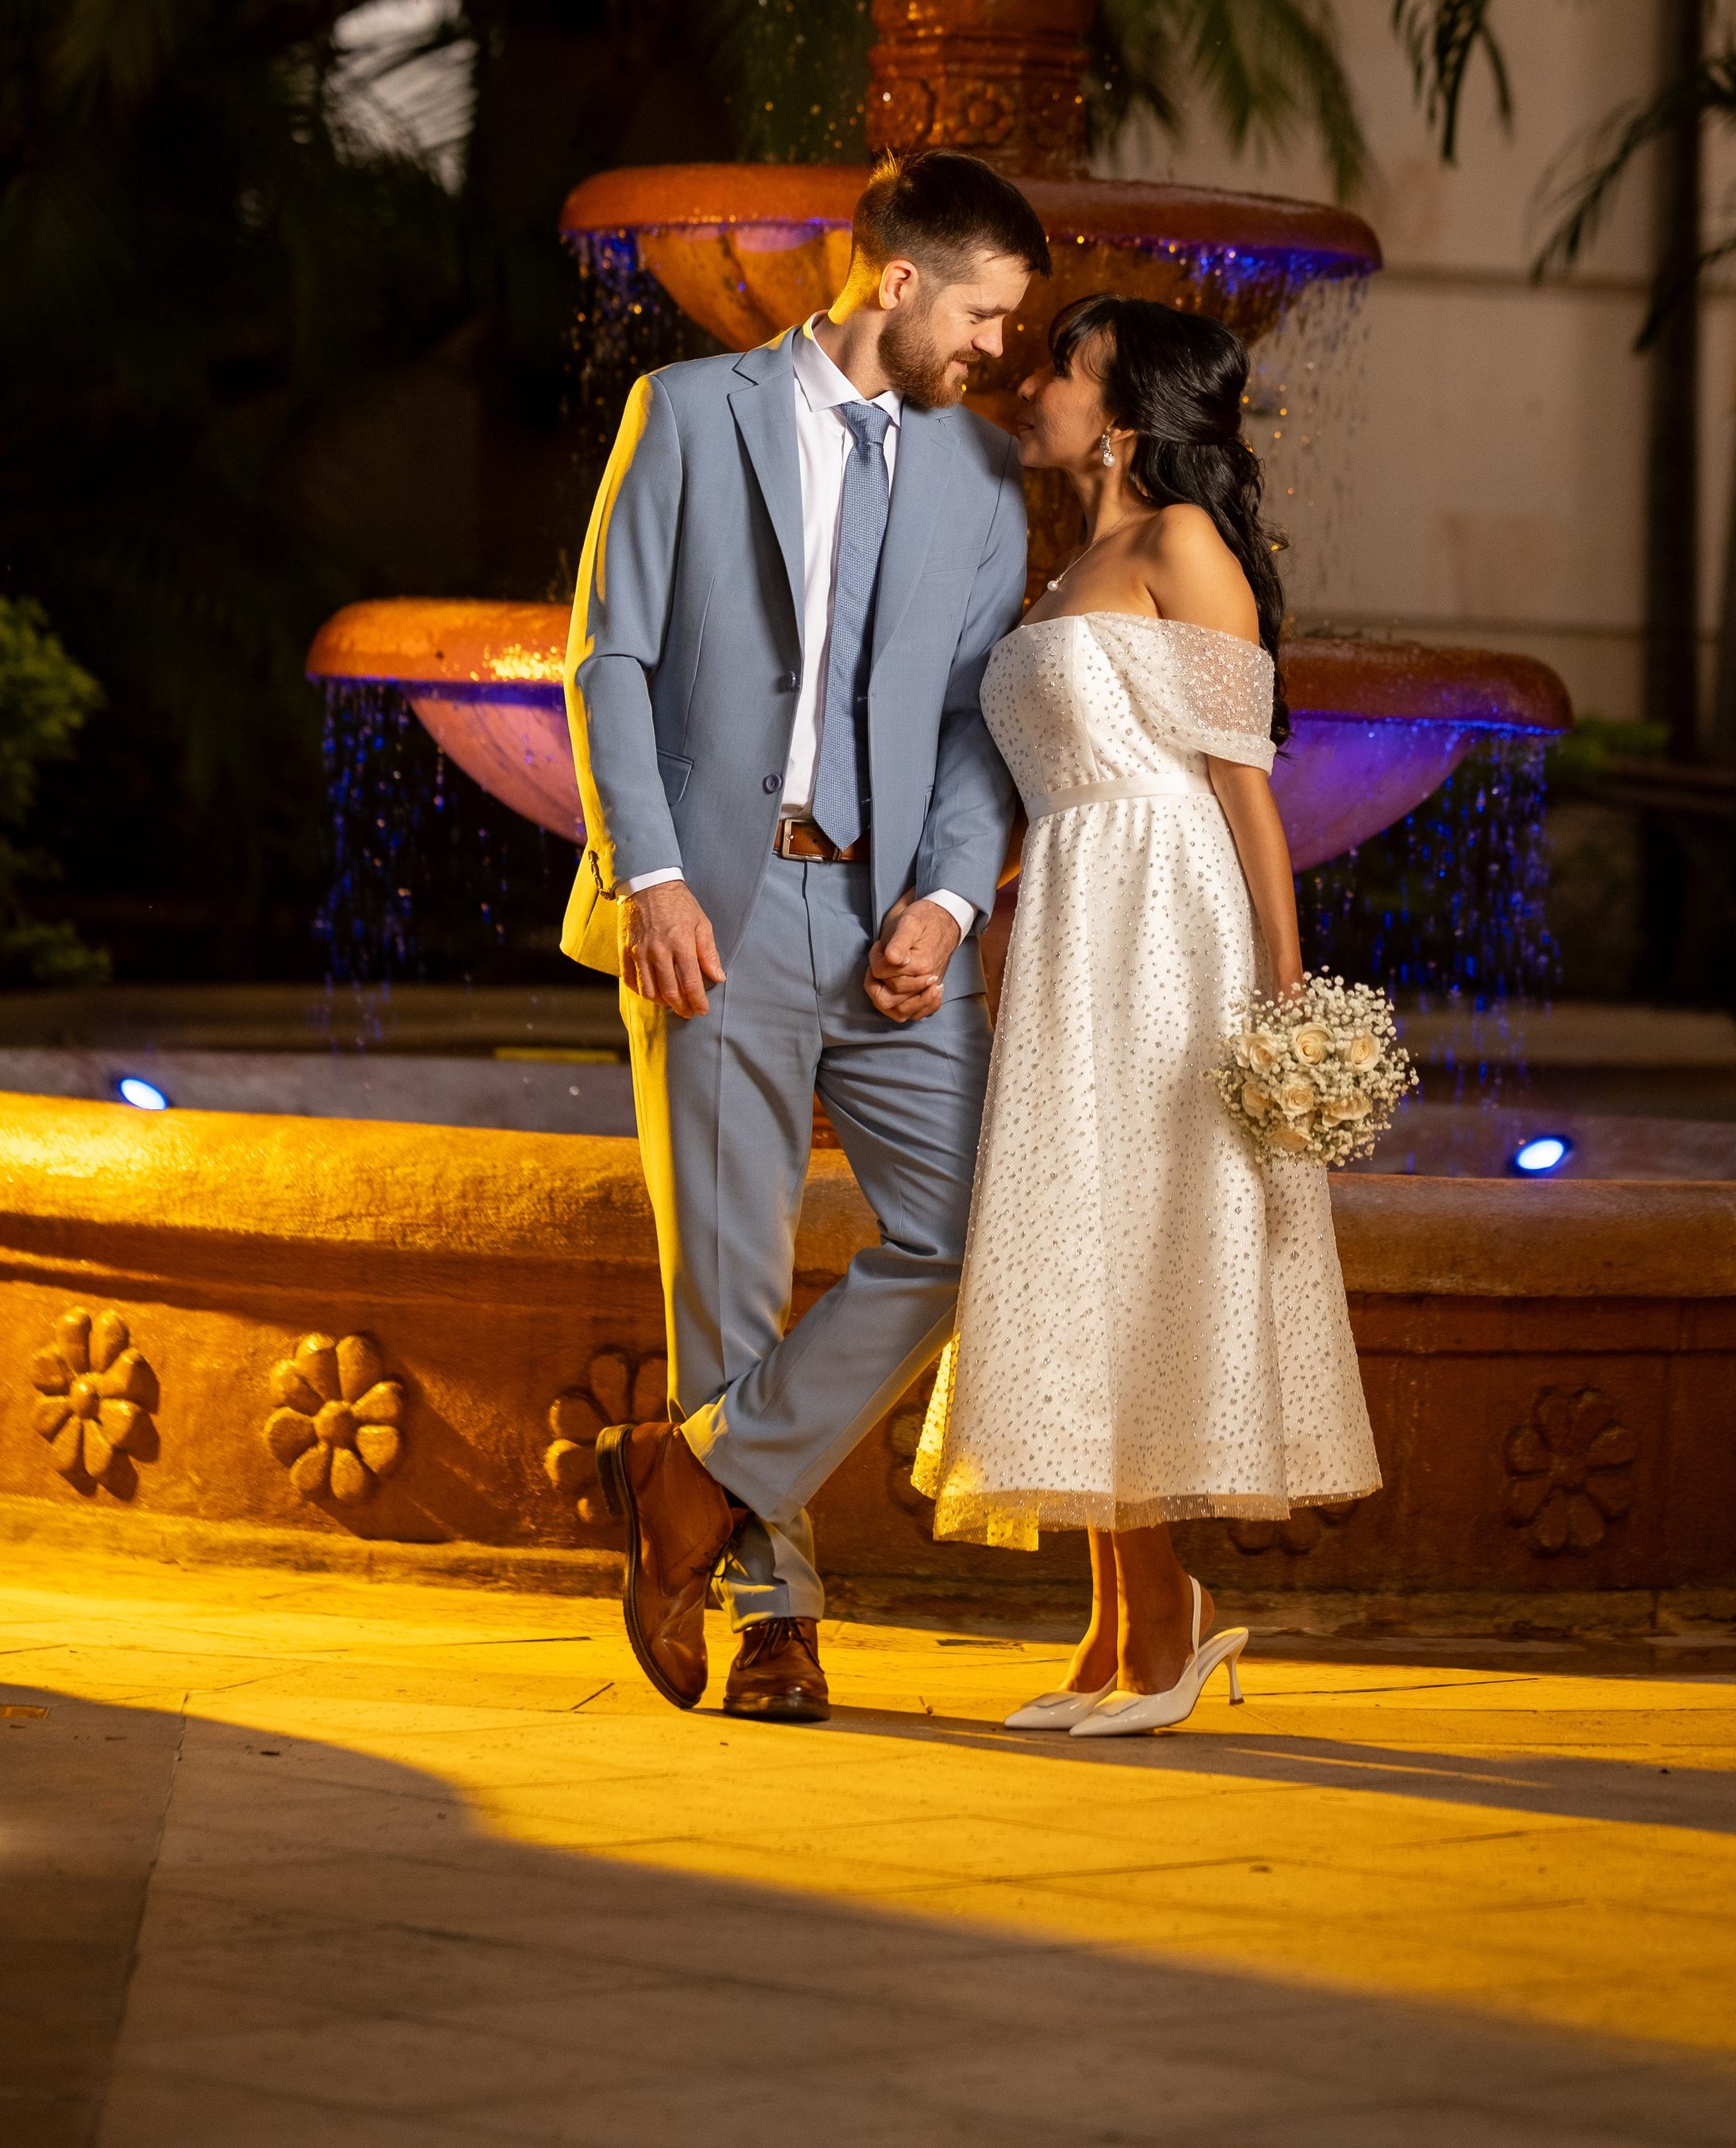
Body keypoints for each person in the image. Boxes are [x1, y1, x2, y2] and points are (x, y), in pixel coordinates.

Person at [560, 150, 1046, 1724]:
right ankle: (776, 1616)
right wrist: (650, 877)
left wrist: (951, 897)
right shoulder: (687, 412)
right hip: (714, 900)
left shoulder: (981, 480)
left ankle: (690, 1484)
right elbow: (609, 656)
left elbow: (983, 722)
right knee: (728, 1279)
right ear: (896, 282)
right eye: (981, 313)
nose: (995, 349)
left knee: (974, 1228)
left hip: (892, 918)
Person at [914, 293, 1380, 1733]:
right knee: (1084, 1246)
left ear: (1119, 414)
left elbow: (1246, 781)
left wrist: (1282, 989)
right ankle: (1126, 1629)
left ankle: (1160, 1625)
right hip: (1069, 901)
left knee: (1144, 1241)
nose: (1033, 382)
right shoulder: (1067, 570)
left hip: (1166, 917)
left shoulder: (1181, 542)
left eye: (1061, 365)